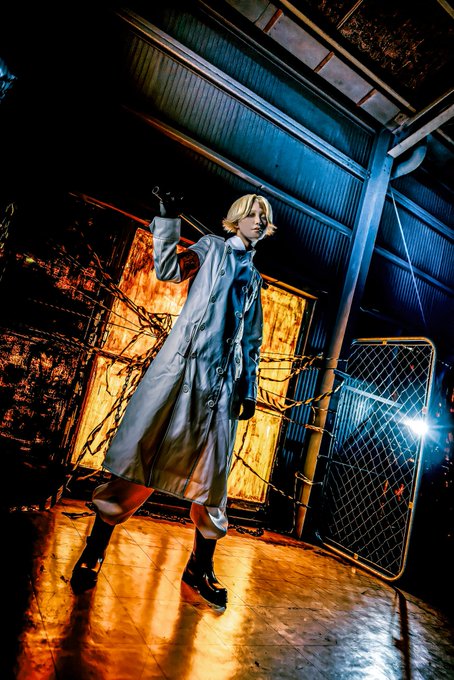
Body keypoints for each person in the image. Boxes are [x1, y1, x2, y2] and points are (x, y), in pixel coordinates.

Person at [70, 192, 277, 607]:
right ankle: (95, 549)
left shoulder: (254, 280)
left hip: (221, 388)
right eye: (252, 213)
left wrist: (248, 387)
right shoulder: (210, 249)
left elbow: (251, 342)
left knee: (212, 480)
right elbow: (168, 270)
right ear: (236, 218)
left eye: (263, 216)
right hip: (180, 374)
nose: (258, 220)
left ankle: (200, 567)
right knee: (141, 459)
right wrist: (166, 220)